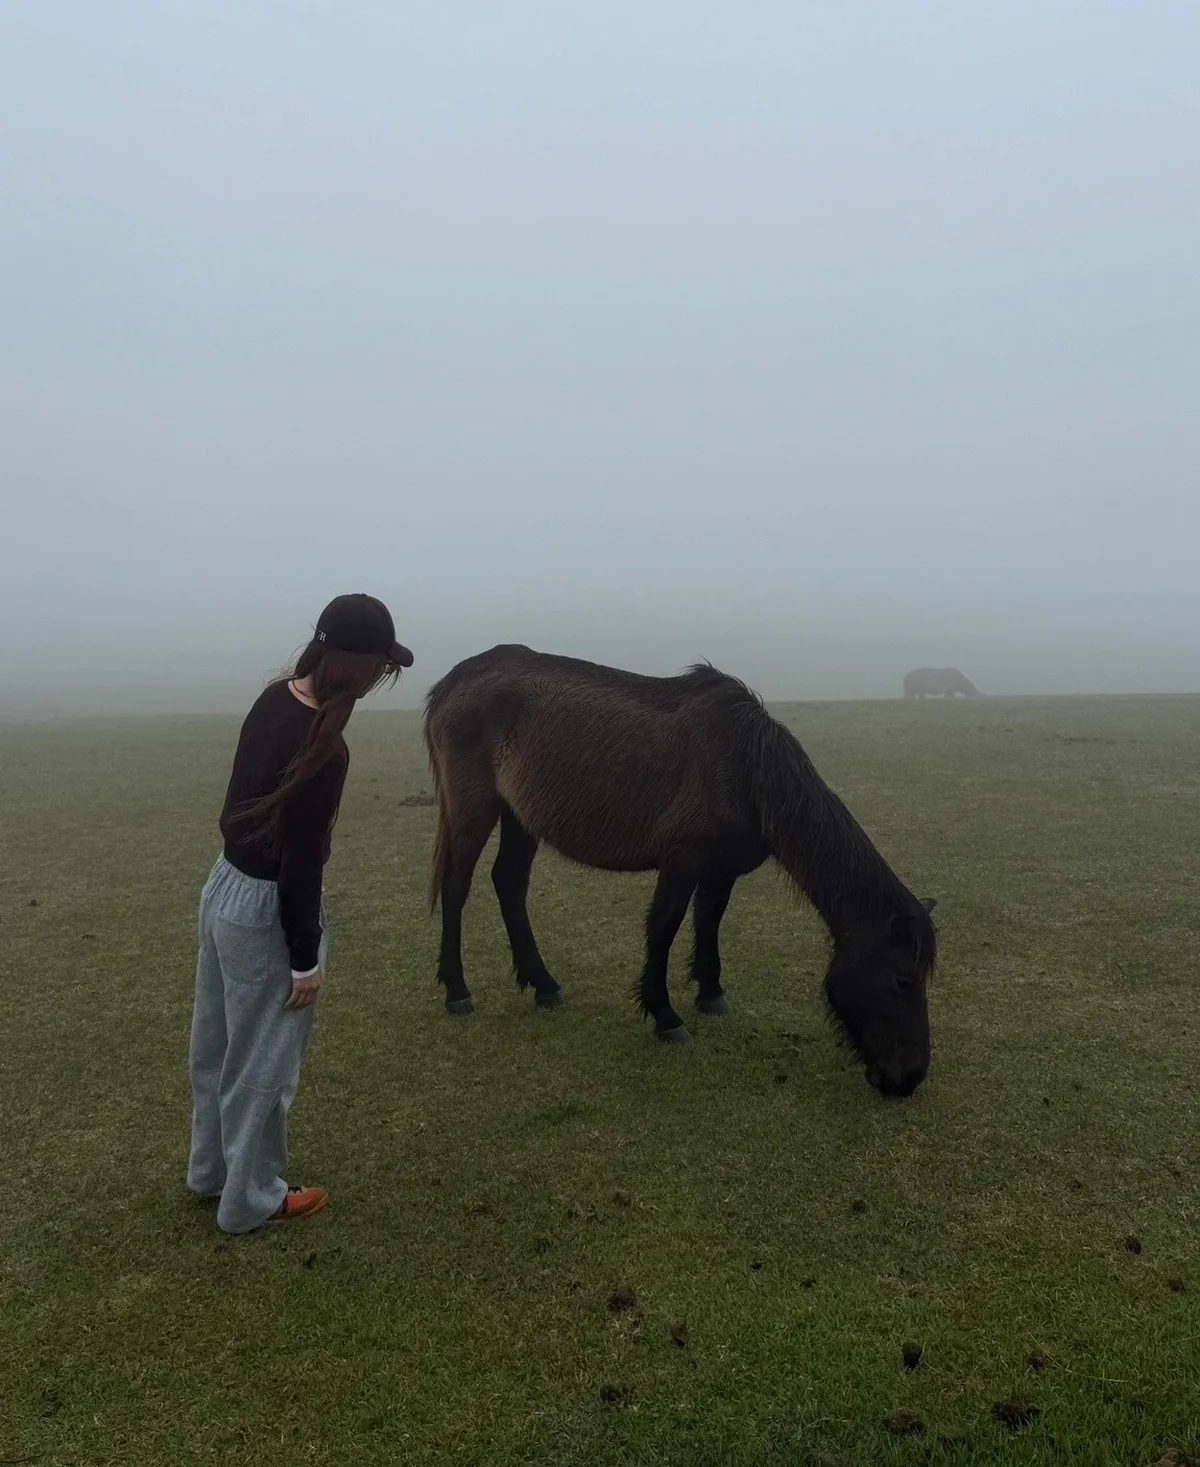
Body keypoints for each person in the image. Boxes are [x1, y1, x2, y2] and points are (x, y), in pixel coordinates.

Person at [186, 594, 413, 1233]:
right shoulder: (324, 751)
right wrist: (305, 958)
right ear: (356, 665)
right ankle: (250, 1201)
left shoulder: (273, 698)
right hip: (262, 913)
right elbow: (301, 867)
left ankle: (211, 1173)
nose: (380, 680)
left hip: (222, 888)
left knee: (215, 1048)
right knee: (263, 1065)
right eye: (380, 668)